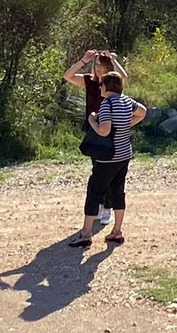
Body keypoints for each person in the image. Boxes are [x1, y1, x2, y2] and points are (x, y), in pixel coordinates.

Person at [69, 71, 145, 248]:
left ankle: (86, 234)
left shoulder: (106, 104)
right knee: (118, 191)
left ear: (107, 86)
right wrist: (127, 123)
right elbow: (142, 112)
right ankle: (116, 231)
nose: (100, 87)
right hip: (124, 154)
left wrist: (92, 121)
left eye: (102, 85)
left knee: (95, 191)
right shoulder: (127, 101)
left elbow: (103, 131)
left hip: (107, 156)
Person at [62, 50, 128, 229]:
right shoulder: (89, 81)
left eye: (102, 65)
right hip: (94, 129)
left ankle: (107, 207)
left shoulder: (113, 83)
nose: (98, 68)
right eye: (96, 64)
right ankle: (99, 206)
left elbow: (124, 77)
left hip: (110, 130)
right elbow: (67, 76)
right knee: (97, 167)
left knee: (107, 168)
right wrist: (84, 60)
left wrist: (114, 61)